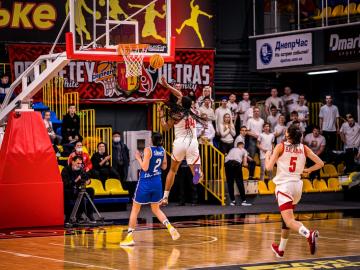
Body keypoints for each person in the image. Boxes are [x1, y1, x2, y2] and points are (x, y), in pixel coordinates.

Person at [265, 124, 324, 258]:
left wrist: (268, 155)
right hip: (297, 187)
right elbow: (321, 163)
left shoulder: (281, 146)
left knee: (290, 221)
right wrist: (308, 170)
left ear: (287, 134)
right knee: (286, 220)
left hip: (284, 186)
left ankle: (309, 234)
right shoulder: (304, 148)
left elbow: (268, 168)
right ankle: (280, 249)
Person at [120, 133, 180, 246]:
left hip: (145, 182)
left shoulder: (148, 150)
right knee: (156, 209)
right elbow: (164, 166)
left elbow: (145, 168)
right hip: (157, 182)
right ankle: (170, 228)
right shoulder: (162, 149)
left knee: (135, 209)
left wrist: (138, 158)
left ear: (151, 140)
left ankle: (129, 237)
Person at [158, 76, 205, 205]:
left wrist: (161, 115)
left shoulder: (176, 114)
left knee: (173, 170)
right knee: (195, 172)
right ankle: (198, 175)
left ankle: (165, 197)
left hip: (180, 143)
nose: (179, 98)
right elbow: (179, 95)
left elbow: (165, 128)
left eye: (180, 100)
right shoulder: (193, 111)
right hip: (192, 143)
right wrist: (167, 86)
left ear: (181, 103)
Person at [62, 156, 96, 223]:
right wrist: (77, 179)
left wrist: (88, 181)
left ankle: (89, 213)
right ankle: (68, 217)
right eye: (78, 163)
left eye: (81, 163)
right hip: (69, 190)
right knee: (67, 192)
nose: (79, 165)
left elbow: (87, 178)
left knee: (91, 190)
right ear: (73, 162)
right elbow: (66, 184)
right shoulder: (65, 170)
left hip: (78, 189)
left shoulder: (80, 170)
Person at [225, 142, 251, 206]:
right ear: (242, 146)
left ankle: (233, 201)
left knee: (230, 183)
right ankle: (243, 201)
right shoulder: (243, 150)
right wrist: (246, 164)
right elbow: (245, 163)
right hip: (236, 163)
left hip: (227, 164)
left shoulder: (232, 149)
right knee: (239, 182)